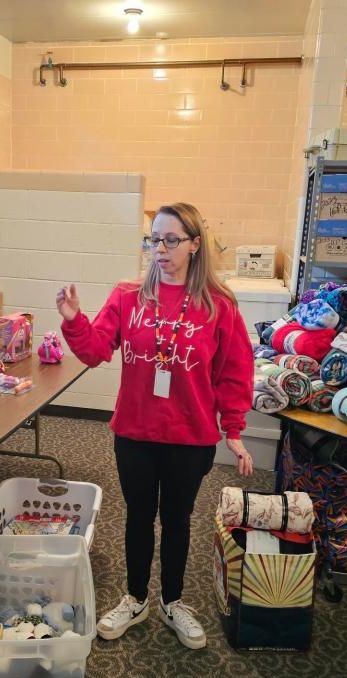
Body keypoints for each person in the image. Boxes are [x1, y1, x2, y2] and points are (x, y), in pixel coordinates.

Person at [57, 202, 253, 650]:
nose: (159, 250)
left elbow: (234, 373)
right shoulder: (128, 296)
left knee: (178, 520)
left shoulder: (218, 306)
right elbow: (94, 351)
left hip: (191, 436)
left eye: (171, 240)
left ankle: (173, 601)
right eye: (153, 240)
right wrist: (73, 321)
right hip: (136, 433)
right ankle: (136, 598)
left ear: (194, 245)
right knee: (139, 517)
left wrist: (235, 431)